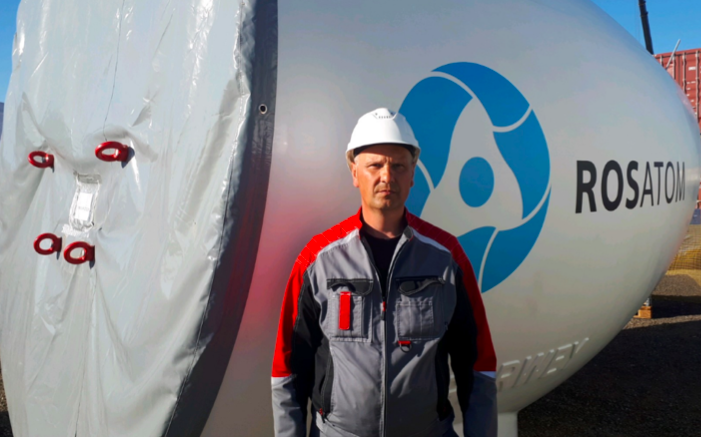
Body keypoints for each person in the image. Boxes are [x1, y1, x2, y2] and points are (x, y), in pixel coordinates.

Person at [271, 108, 497, 437]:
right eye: (375, 165)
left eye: (398, 166)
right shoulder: (317, 261)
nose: (387, 176)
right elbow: (288, 369)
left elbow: (477, 364)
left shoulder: (447, 259)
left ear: (413, 174)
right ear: (355, 172)